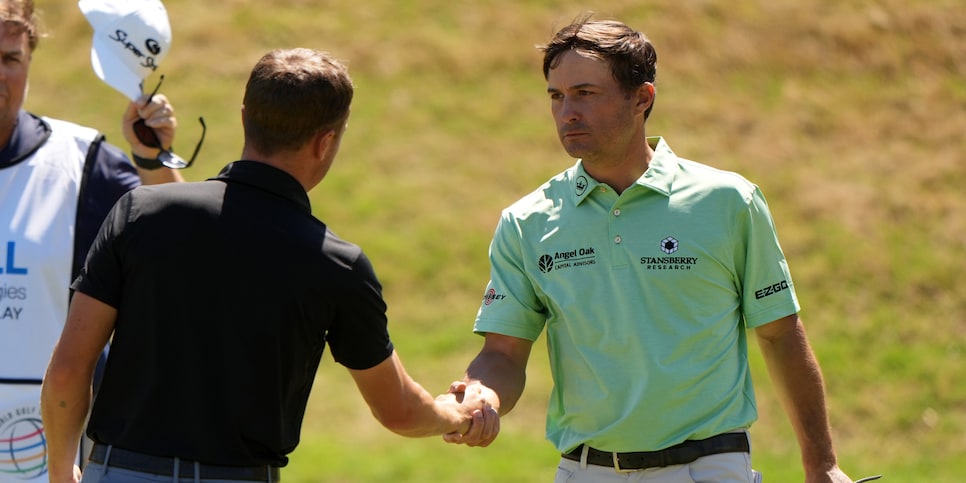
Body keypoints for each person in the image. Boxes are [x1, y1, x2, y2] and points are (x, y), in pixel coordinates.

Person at [40, 47, 497, 483]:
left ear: (245, 117)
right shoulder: (337, 265)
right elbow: (398, 408)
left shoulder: (138, 213)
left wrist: (62, 472)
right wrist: (460, 414)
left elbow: (68, 370)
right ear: (326, 142)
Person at [445, 15, 855, 483]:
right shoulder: (527, 221)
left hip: (710, 468)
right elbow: (503, 353)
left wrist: (822, 464)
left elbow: (780, 334)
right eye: (557, 97)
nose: (567, 113)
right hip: (584, 472)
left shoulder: (729, 202)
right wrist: (482, 394)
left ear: (642, 98)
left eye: (585, 93)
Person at [0, 1, 182, 481]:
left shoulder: (84, 167)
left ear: (30, 60)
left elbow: (178, 251)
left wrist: (153, 161)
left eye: (9, 58)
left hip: (51, 464)